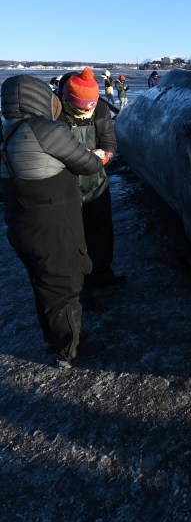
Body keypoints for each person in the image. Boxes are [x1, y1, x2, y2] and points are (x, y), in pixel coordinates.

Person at [0, 74, 106, 367]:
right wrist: (95, 155)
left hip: (20, 223)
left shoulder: (6, 130)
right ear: (38, 98)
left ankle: (56, 340)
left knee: (43, 284)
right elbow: (88, 165)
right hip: (53, 224)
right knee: (64, 286)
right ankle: (69, 349)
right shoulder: (46, 130)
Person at [58, 69, 126, 292]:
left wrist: (105, 155)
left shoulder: (102, 109)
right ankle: (80, 285)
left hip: (96, 181)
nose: (87, 113)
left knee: (102, 230)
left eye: (90, 107)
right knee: (73, 236)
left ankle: (103, 273)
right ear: (68, 99)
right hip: (66, 184)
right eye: (80, 108)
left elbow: (109, 141)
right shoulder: (55, 113)